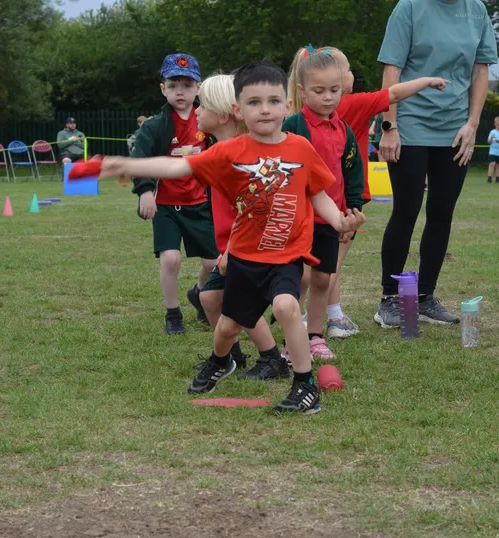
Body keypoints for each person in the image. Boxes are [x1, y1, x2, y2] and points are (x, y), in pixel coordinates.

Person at [97, 62, 365, 413]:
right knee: (227, 328)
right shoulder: (229, 152)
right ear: (238, 109)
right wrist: (127, 165)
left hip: (286, 256)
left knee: (287, 307)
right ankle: (220, 361)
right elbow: (177, 167)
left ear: (287, 106)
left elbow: (318, 194)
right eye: (254, 102)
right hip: (245, 260)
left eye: (273, 101)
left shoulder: (301, 148)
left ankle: (305, 386)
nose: (265, 109)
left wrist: (338, 220)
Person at [287, 45, 450, 339]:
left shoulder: (319, 117)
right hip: (335, 207)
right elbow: (394, 94)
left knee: (321, 269)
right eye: (348, 69)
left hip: (330, 204)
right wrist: (426, 81)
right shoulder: (351, 105)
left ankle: (327, 318)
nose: (350, 76)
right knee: (326, 268)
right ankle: (315, 322)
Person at [376, 0, 497, 328]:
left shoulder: (477, 10)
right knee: (406, 210)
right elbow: (391, 71)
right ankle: (389, 300)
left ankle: (425, 296)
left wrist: (472, 124)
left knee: (442, 213)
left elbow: (481, 70)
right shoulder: (409, 7)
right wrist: (390, 127)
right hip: (409, 123)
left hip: (455, 128)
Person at [195, 73, 290, 381]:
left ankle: (272, 358)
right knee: (211, 298)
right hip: (232, 247)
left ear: (223, 114)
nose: (196, 111)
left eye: (202, 105)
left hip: (247, 249)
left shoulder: (241, 159)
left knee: (237, 303)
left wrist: (230, 251)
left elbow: (249, 210)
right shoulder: (220, 152)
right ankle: (229, 356)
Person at [283, 49, 364, 362]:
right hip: (297, 219)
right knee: (298, 280)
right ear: (302, 91)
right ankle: (291, 340)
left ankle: (314, 336)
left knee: (322, 278)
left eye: (334, 90)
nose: (328, 97)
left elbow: (352, 172)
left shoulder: (344, 130)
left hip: (331, 219)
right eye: (319, 91)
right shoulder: (292, 126)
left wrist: (351, 210)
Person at [131, 53, 218, 334]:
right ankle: (173, 313)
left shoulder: (209, 123)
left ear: (198, 88)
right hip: (166, 206)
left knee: (213, 263)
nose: (180, 92)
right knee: (171, 259)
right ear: (163, 89)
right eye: (173, 85)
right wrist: (145, 191)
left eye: (187, 85)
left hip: (200, 204)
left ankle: (199, 294)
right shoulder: (155, 126)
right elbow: (141, 160)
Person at [487, 116, 499, 183]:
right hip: (492, 151)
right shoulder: (492, 131)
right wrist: (491, 137)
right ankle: (489, 178)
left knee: (498, 165)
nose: (498, 126)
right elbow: (489, 142)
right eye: (497, 124)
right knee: (492, 164)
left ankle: (497, 179)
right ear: (495, 124)